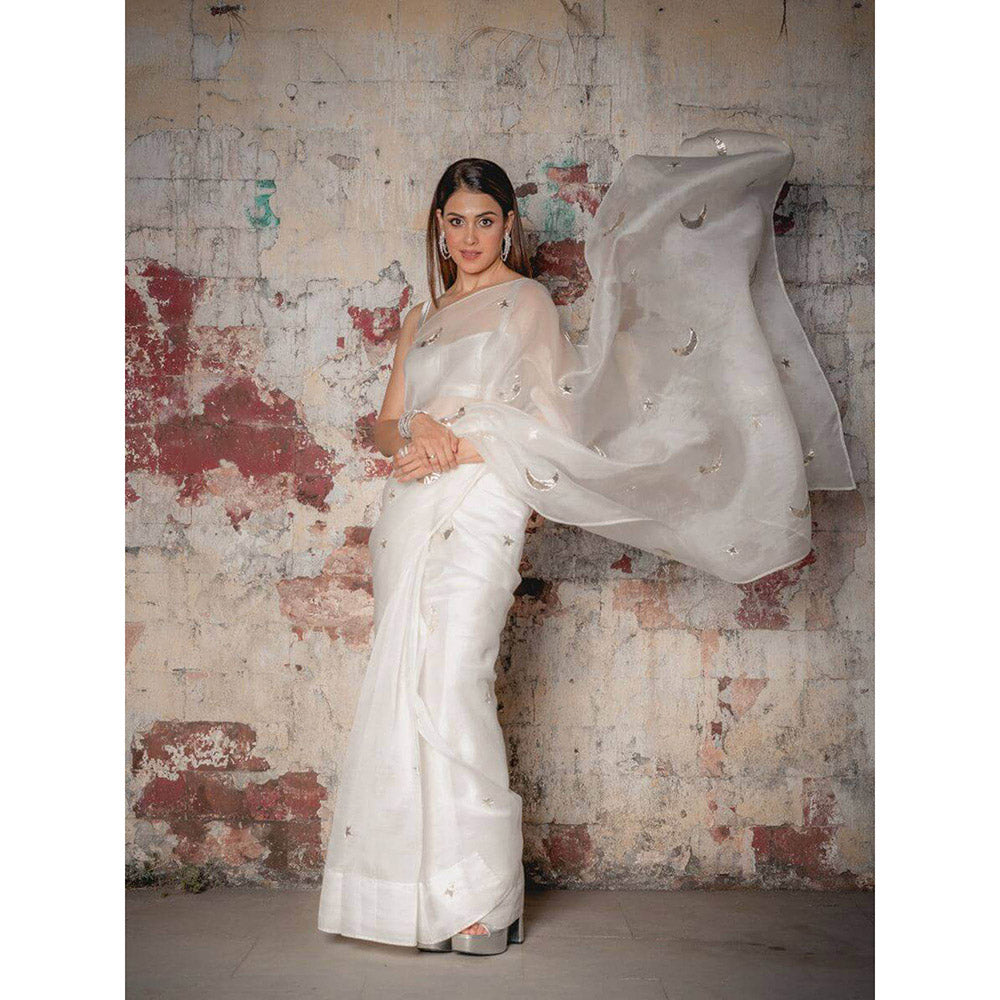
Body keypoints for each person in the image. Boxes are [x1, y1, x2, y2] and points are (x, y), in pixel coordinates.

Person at [317, 130, 855, 956]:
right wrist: (417, 432)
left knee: (455, 680)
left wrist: (463, 441)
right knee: (406, 684)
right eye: (456, 221)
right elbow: (386, 425)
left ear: (508, 226)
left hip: (483, 498)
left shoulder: (526, 303)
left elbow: (554, 418)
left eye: (485, 220)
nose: (469, 236)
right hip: (408, 508)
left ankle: (484, 898)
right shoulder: (420, 319)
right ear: (438, 228)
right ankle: (416, 895)